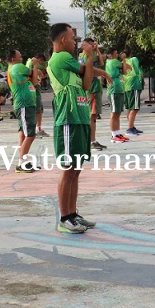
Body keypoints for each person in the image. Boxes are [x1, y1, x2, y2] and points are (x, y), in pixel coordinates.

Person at [48, 24, 103, 233]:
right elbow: (86, 74)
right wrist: (89, 57)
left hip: (79, 119)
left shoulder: (69, 62)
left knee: (76, 170)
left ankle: (73, 213)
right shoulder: (61, 57)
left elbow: (87, 80)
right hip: (68, 120)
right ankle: (64, 218)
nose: (75, 42)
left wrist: (100, 70)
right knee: (68, 169)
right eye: (73, 38)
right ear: (63, 40)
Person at [7, 50, 39, 172]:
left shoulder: (15, 68)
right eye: (19, 57)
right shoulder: (17, 67)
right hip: (24, 104)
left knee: (23, 133)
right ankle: (22, 162)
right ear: (13, 59)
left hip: (25, 104)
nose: (21, 59)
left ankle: (23, 160)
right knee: (30, 134)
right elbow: (35, 81)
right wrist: (34, 65)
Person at [79, 38, 106, 151]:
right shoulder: (85, 56)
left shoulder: (91, 55)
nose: (93, 46)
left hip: (94, 87)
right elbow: (96, 66)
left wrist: (97, 50)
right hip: (92, 88)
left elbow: (101, 63)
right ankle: (91, 140)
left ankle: (92, 140)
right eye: (90, 45)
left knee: (93, 116)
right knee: (92, 115)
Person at [104, 48, 130, 144]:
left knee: (117, 113)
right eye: (115, 53)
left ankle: (117, 133)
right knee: (114, 113)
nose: (117, 54)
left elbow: (124, 71)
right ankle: (114, 135)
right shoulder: (113, 61)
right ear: (110, 55)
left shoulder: (112, 61)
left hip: (118, 90)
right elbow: (125, 69)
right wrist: (124, 60)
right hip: (114, 90)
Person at [26, 54, 49, 138]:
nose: (42, 63)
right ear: (39, 59)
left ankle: (37, 128)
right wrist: (36, 70)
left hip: (37, 88)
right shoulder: (31, 63)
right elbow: (28, 73)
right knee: (37, 110)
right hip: (33, 89)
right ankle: (36, 129)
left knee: (40, 110)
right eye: (42, 62)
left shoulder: (38, 66)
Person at [122, 51, 144, 137]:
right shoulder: (133, 59)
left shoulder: (123, 63)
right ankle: (130, 128)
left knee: (129, 108)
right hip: (134, 85)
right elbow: (137, 70)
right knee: (135, 108)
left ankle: (131, 126)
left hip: (127, 86)